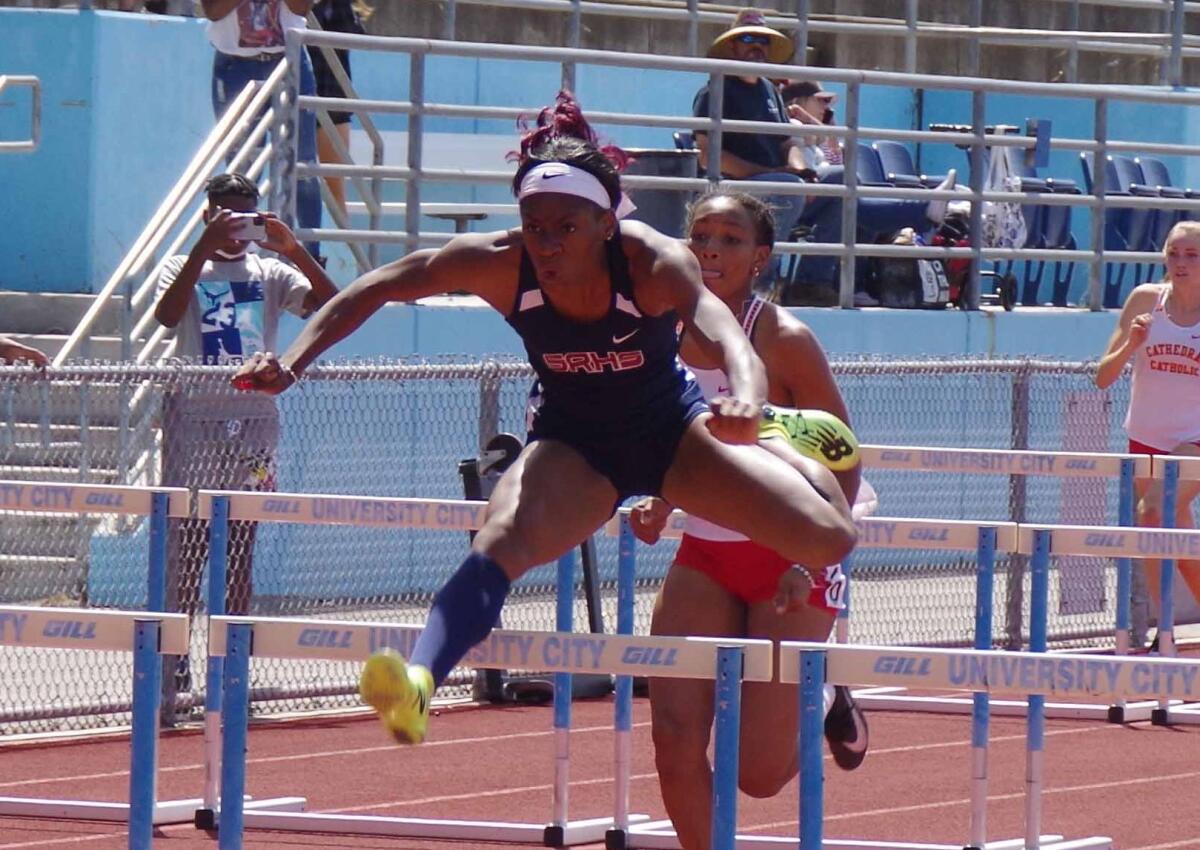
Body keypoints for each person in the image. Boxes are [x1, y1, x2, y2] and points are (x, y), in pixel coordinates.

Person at [232, 91, 858, 745]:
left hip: (671, 434)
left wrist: (751, 399)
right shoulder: (498, 263)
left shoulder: (650, 260)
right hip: (575, 444)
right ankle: (418, 684)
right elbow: (379, 285)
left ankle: (781, 436)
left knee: (827, 537)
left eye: (567, 226)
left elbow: (724, 333)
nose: (548, 243)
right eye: (536, 225)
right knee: (498, 540)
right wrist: (294, 364)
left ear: (605, 224)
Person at [628, 192, 868, 850]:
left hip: (790, 555)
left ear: (760, 257)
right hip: (704, 554)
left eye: (730, 239)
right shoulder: (660, 333)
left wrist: (808, 559)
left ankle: (824, 701)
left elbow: (843, 461)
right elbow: (678, 439)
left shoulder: (783, 339)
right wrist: (662, 498)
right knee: (673, 739)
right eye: (701, 234)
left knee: (757, 776)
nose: (710, 248)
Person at [152, 172, 337, 694]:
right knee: (187, 544)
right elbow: (167, 316)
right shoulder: (183, 264)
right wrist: (200, 250)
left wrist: (295, 249)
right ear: (208, 214)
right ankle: (174, 663)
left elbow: (330, 304)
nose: (237, 228)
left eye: (245, 216)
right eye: (226, 215)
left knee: (240, 541)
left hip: (254, 424)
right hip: (195, 419)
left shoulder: (271, 270)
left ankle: (229, 662)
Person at [695, 14, 953, 302]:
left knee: (842, 179)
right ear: (731, 47)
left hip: (781, 183)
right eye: (747, 38)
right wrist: (776, 174)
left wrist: (802, 171)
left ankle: (811, 284)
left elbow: (788, 141)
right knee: (788, 187)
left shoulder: (769, 90)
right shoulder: (715, 89)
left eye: (763, 40)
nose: (757, 45)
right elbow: (709, 156)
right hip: (738, 188)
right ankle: (759, 285)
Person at [1095, 219, 1200, 646]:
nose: (1181, 263)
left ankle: (1165, 628)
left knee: (1152, 510)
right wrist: (1131, 344)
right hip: (1146, 435)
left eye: (1192, 255)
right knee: (1172, 534)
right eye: (1174, 254)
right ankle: (1170, 624)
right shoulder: (1145, 301)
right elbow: (1103, 376)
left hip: (1194, 438)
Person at [202, 0, 322, 259]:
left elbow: (302, 8)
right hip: (235, 66)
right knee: (241, 167)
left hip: (289, 60)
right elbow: (213, 11)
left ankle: (310, 257)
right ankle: (240, 254)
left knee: (303, 166)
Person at [308, 0, 371, 215]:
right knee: (297, 181)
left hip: (332, 94)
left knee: (334, 188)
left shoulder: (339, 5)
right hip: (303, 91)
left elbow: (351, 34)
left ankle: (333, 240)